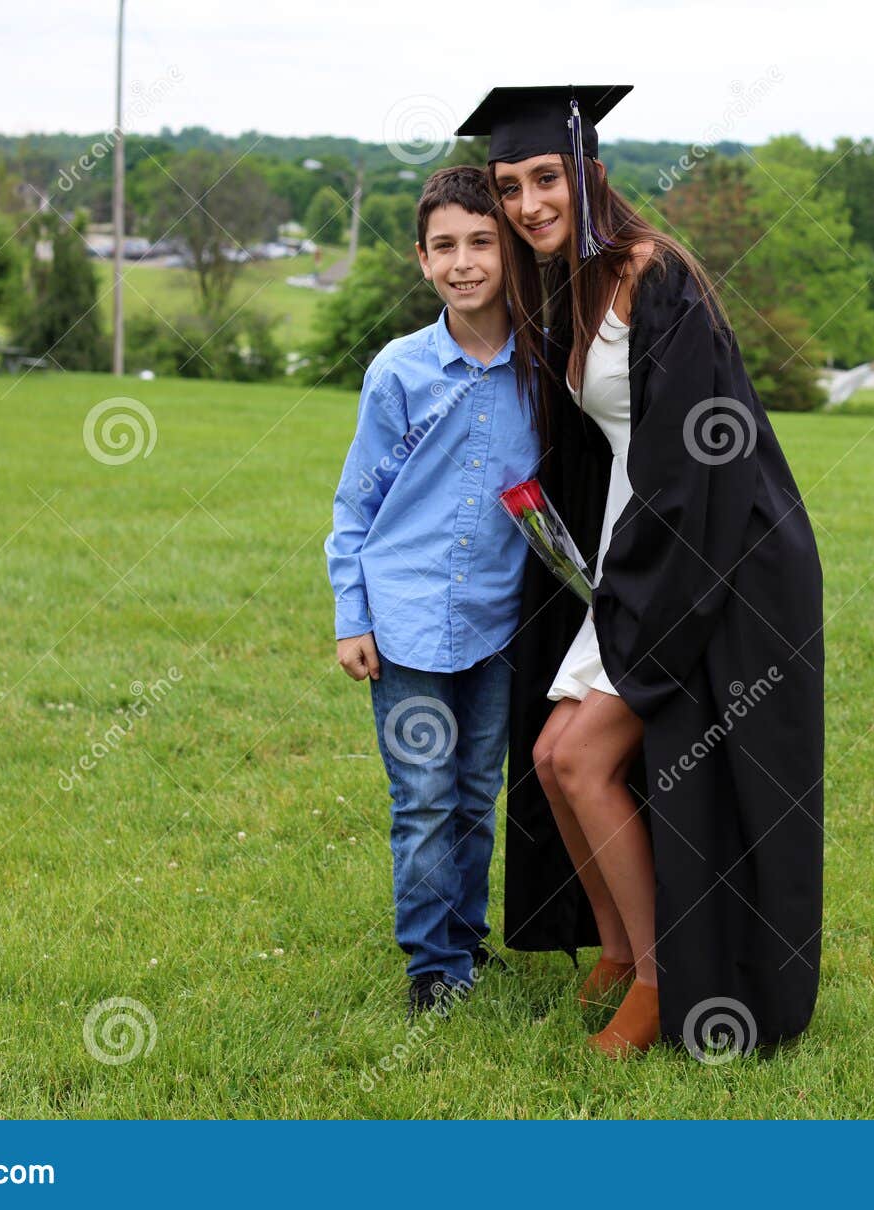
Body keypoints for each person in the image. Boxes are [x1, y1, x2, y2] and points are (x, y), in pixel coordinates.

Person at [456, 86, 826, 1058]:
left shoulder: (654, 276)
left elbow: (698, 461)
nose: (530, 202)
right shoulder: (572, 285)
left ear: (589, 174)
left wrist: (636, 589)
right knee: (548, 757)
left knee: (580, 758)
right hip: (641, 551)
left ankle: (665, 980)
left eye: (545, 179)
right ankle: (619, 950)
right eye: (511, 187)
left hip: (711, 561)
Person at [324, 166, 538, 1020]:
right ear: (421, 260)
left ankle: (465, 935)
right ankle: (430, 967)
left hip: (498, 622)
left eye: (482, 242)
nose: (464, 262)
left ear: (510, 251)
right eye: (445, 245)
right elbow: (355, 505)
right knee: (422, 797)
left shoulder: (543, 367)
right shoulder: (399, 372)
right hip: (407, 621)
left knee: (479, 792)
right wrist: (353, 617)